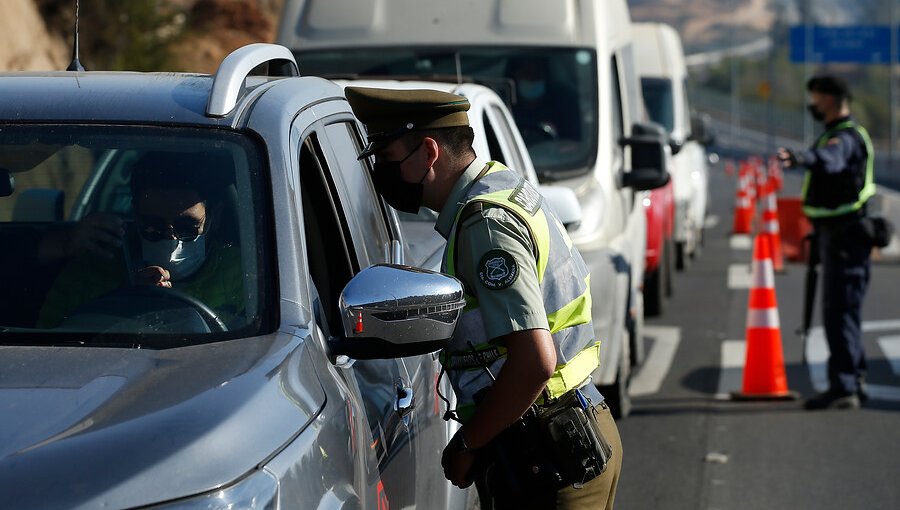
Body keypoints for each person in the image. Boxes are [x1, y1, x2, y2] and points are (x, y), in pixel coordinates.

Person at [346, 86, 622, 509]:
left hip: (551, 451)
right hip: (569, 430)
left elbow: (534, 362)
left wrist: (469, 444)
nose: (382, 171)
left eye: (387, 158)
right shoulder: (502, 185)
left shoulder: (484, 225)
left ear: (429, 152)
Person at [37, 151, 245, 329]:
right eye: (153, 226)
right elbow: (47, 344)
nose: (170, 238)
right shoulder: (92, 273)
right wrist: (127, 303)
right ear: (135, 217)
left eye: (186, 227)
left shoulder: (244, 277)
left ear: (213, 219)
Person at [778, 75, 876, 411]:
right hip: (837, 236)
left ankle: (844, 386)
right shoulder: (837, 135)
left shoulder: (845, 138)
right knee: (844, 312)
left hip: (846, 238)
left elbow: (831, 162)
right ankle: (853, 380)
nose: (813, 105)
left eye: (817, 98)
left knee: (840, 314)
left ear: (833, 99)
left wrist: (804, 158)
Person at [506, 56, 581, 145]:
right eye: (526, 73)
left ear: (546, 77)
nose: (532, 79)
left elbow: (574, 143)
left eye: (537, 74)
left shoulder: (564, 104)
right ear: (515, 77)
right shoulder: (502, 105)